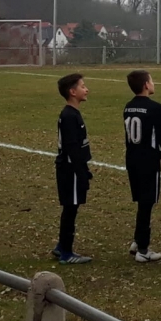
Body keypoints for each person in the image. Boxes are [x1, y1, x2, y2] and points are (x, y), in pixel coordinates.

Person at [124, 70, 161, 263]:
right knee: (147, 203)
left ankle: (137, 241)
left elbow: (138, 140)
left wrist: (159, 155)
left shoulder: (128, 107)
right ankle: (143, 250)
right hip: (147, 162)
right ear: (146, 85)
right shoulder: (154, 108)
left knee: (142, 202)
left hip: (132, 159)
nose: (153, 83)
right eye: (152, 80)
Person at [52, 74, 93, 264]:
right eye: (82, 86)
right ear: (72, 92)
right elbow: (72, 148)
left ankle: (61, 246)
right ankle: (67, 253)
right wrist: (81, 173)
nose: (86, 89)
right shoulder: (69, 116)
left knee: (71, 208)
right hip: (70, 170)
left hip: (72, 168)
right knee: (70, 209)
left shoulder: (72, 113)